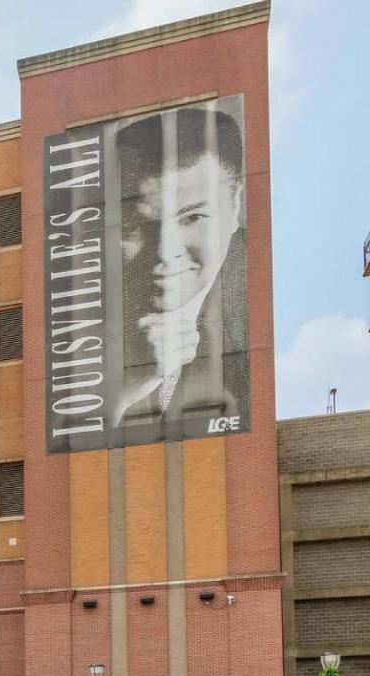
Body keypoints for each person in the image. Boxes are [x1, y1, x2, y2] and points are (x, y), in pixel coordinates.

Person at [111, 102, 249, 436]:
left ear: (235, 207)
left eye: (192, 218)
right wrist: (124, 390)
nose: (164, 251)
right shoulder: (85, 306)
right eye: (136, 225)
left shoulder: (258, 312)